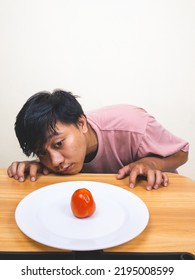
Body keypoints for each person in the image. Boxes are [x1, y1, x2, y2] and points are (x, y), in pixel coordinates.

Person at [7, 89, 189, 190]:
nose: (55, 161)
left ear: (81, 123)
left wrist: (152, 164)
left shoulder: (134, 126)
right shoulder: (53, 156)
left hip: (156, 197)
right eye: (42, 152)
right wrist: (39, 169)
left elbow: (182, 152)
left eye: (59, 144)